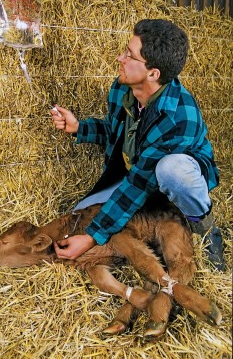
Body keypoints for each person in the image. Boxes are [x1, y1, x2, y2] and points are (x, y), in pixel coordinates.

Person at [51, 18, 224, 270]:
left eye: (129, 55)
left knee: (171, 170)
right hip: (137, 171)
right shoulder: (123, 88)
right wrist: (79, 127)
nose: (120, 58)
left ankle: (205, 227)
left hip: (171, 177)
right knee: (80, 215)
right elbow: (115, 131)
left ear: (153, 73)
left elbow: (140, 183)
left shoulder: (179, 115)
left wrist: (92, 238)